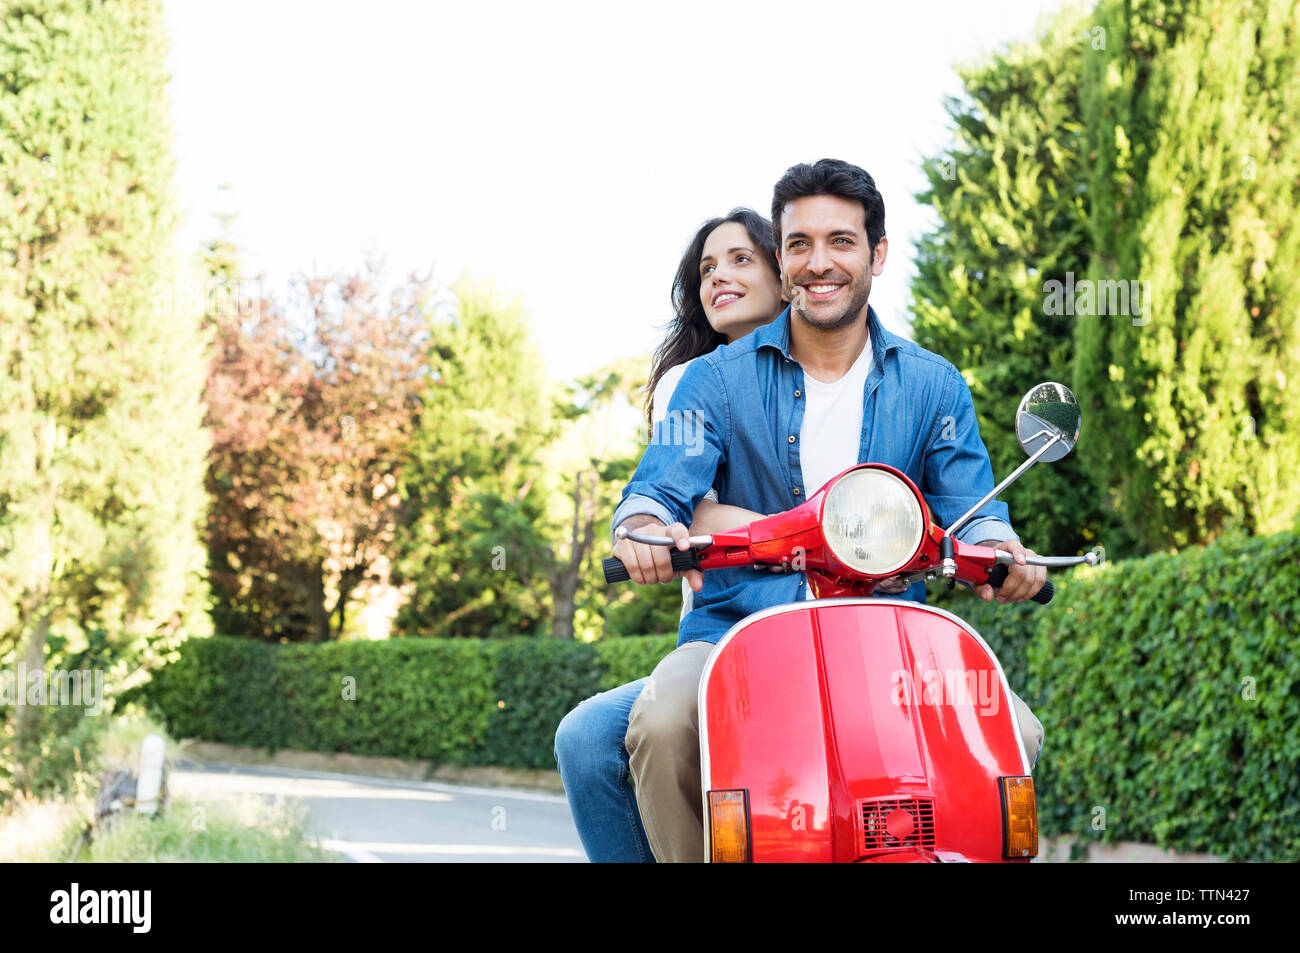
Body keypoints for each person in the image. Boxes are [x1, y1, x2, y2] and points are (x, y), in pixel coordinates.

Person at [615, 158, 1048, 862]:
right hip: (735, 637)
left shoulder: (934, 384)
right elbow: (661, 484)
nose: (820, 263)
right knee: (663, 722)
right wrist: (639, 527)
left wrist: (1003, 552)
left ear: (877, 253)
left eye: (842, 242)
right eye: (799, 244)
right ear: (782, 260)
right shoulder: (715, 380)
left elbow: (974, 514)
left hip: (887, 644)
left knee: (1016, 735)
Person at [552, 208, 784, 862]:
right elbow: (678, 508)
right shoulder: (691, 383)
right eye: (707, 268)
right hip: (726, 636)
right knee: (587, 740)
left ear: (784, 276)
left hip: (822, 633)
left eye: (741, 260)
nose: (719, 277)